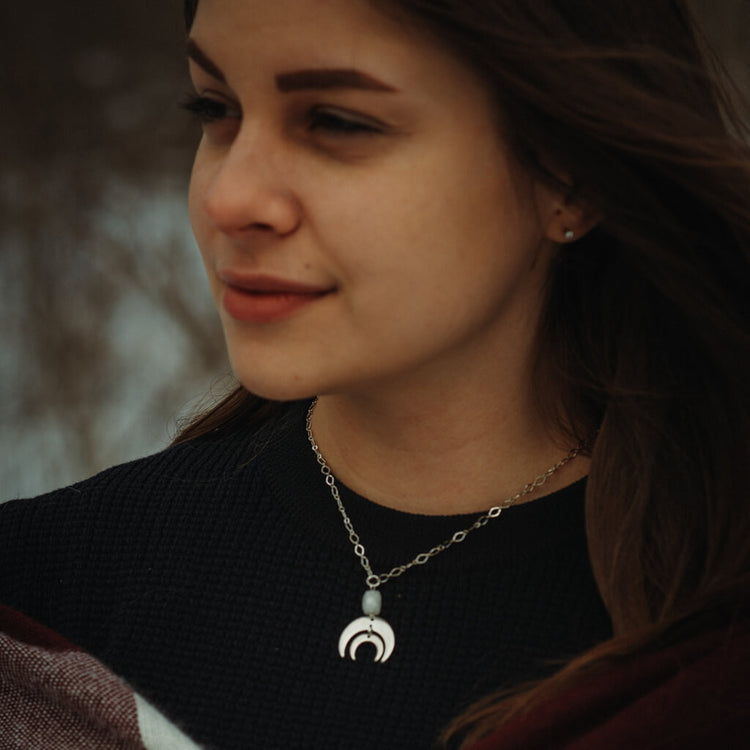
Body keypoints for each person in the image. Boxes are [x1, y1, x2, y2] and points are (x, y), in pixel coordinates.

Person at [1, 0, 748, 748]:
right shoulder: (41, 613)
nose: (229, 198)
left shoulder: (708, 643)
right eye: (216, 107)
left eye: (337, 121)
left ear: (570, 178)